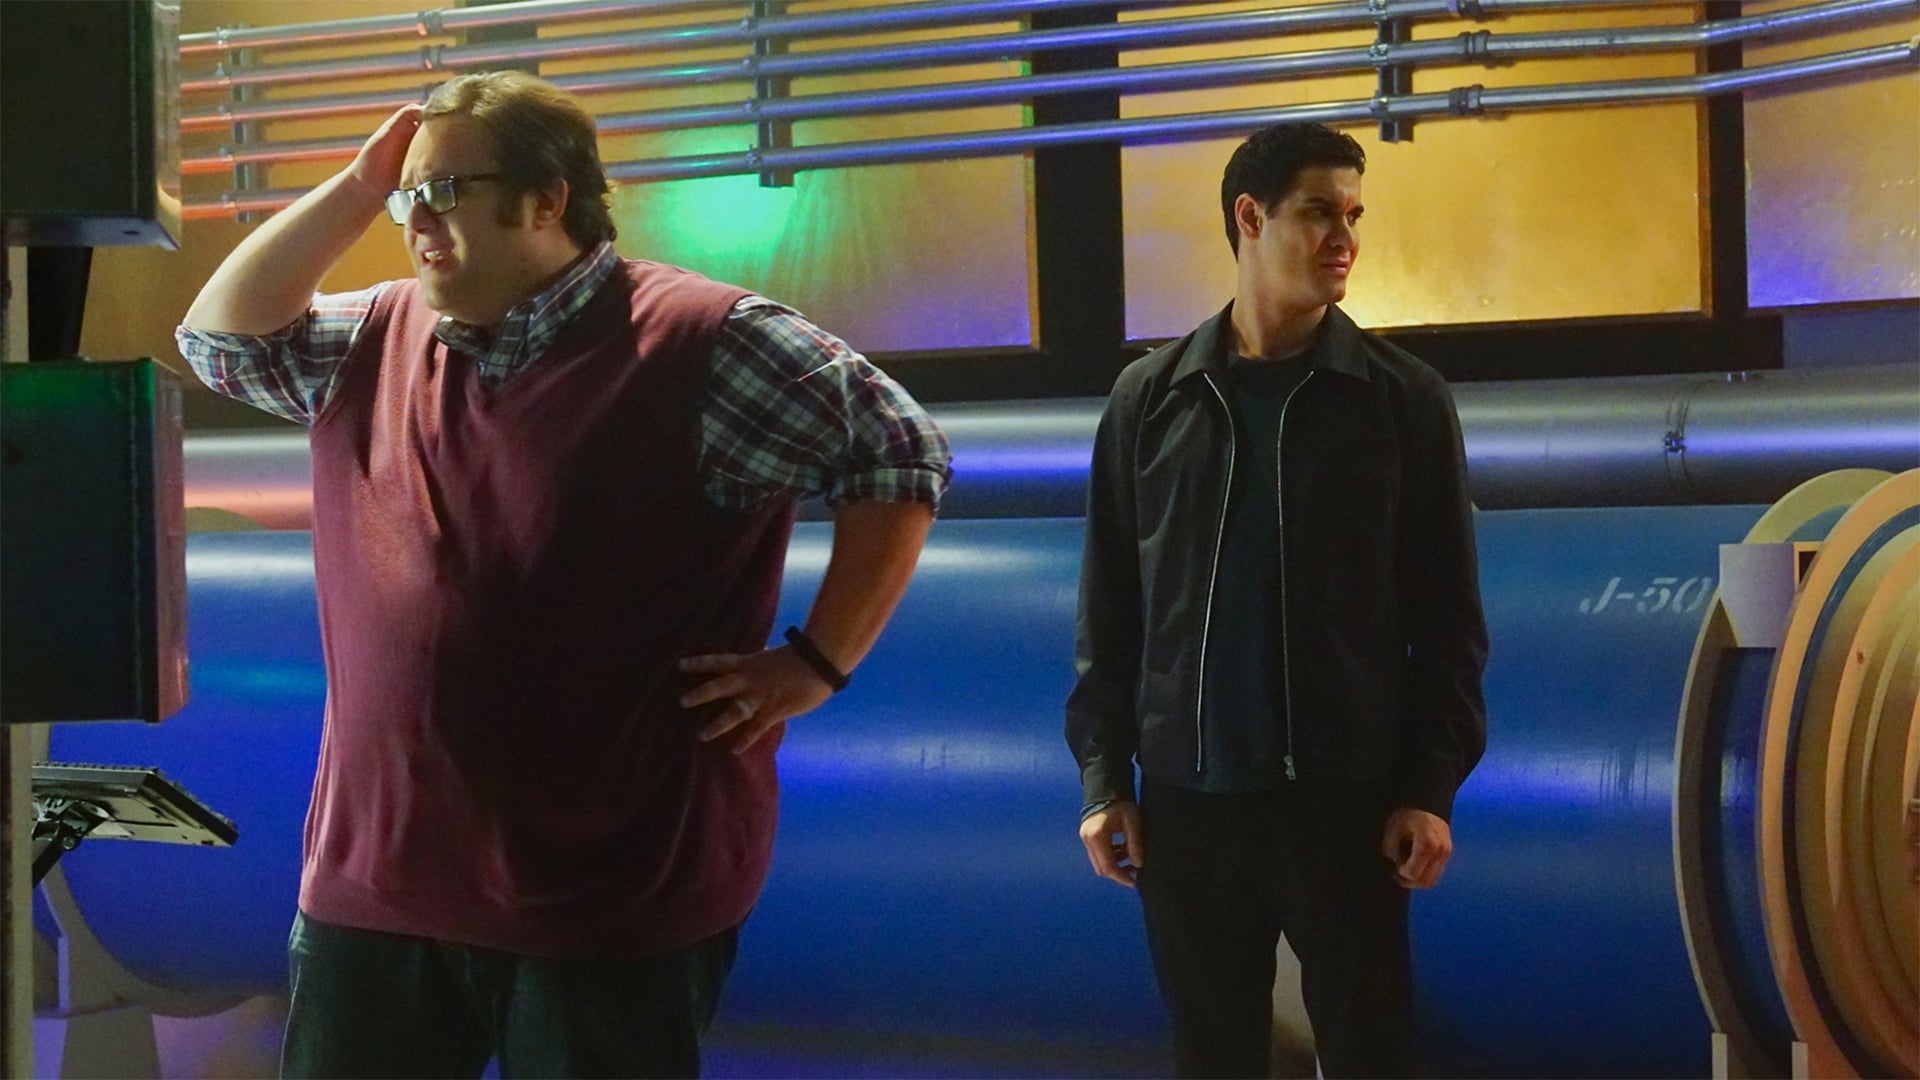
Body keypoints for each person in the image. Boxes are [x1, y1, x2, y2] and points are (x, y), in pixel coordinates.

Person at [177, 71, 950, 1078]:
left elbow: (899, 452)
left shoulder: (702, 340)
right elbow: (218, 341)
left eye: (443, 191)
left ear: (546, 200)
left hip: (607, 898)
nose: (417, 221)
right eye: (409, 198)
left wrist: (819, 661)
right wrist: (363, 185)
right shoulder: (373, 336)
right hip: (380, 886)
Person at [1065, 122, 1488, 1079]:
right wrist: (1105, 779)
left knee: (1371, 1056)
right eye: (1319, 213)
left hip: (1344, 807)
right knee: (1212, 1059)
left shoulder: (1402, 402)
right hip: (1188, 809)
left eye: (1354, 215)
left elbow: (1449, 622)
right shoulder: (1150, 400)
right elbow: (1111, 611)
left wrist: (1428, 789)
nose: (1345, 237)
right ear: (1250, 218)